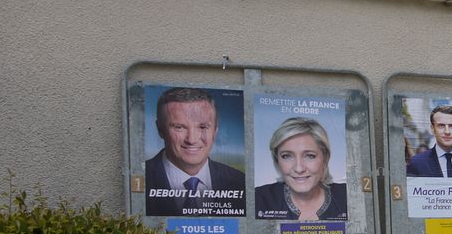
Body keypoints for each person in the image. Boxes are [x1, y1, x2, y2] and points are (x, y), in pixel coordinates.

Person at [145, 86, 246, 216]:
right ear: (160, 129)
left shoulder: (240, 182)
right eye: (179, 127)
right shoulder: (141, 179)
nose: (192, 139)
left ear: (215, 130)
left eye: (203, 127)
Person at [255, 118, 347, 220]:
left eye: (310, 156)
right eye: (287, 156)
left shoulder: (349, 196)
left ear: (325, 158)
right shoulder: (258, 199)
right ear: (277, 160)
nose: (299, 169)